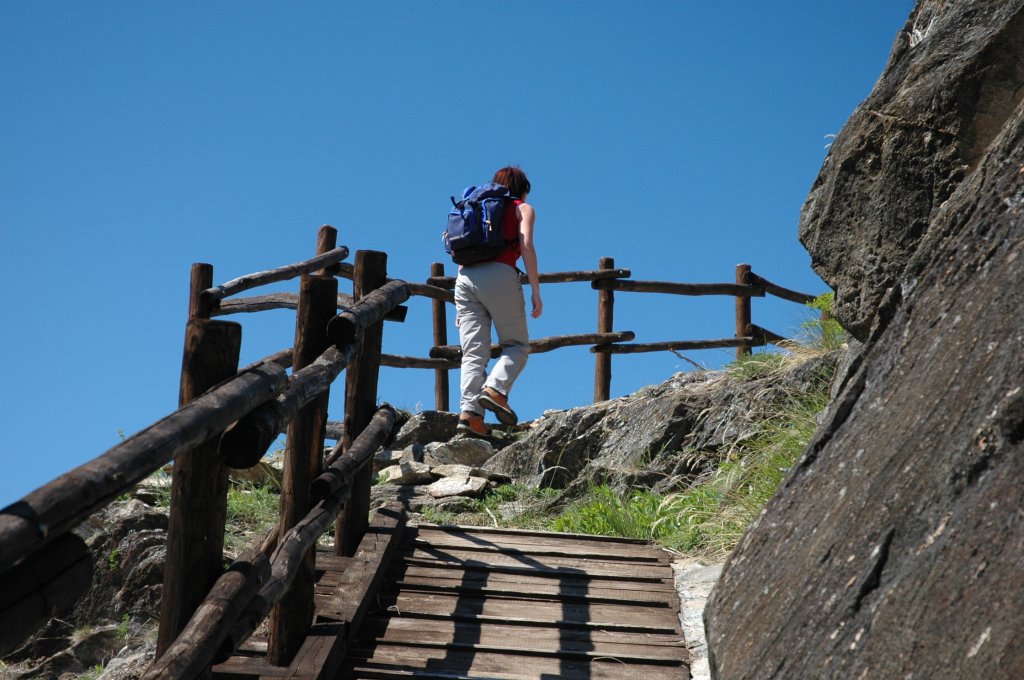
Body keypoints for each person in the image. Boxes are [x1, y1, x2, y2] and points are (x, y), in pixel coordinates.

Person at [455, 165, 543, 436]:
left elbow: (462, 251)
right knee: (516, 345)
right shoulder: (522, 209)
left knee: (473, 353)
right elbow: (526, 246)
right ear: (523, 190)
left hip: (464, 278)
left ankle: (470, 416)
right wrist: (536, 291)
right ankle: (495, 390)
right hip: (500, 274)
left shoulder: (477, 206)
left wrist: (458, 304)